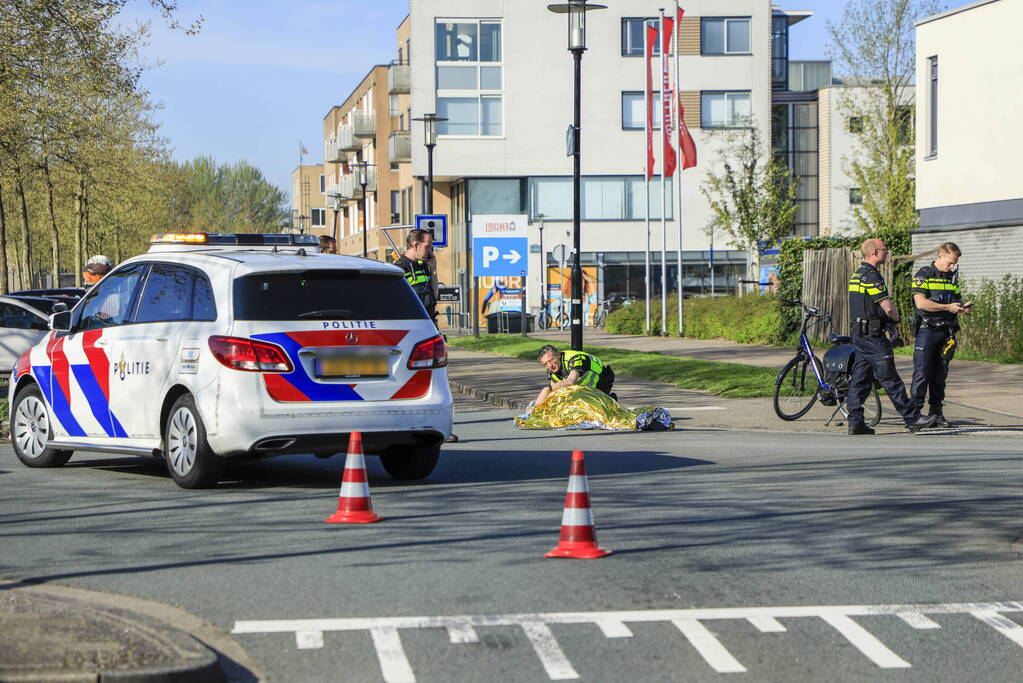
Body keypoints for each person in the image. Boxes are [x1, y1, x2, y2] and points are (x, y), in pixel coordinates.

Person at [845, 238, 938, 435]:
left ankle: (855, 422)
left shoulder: (857, 275)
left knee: (860, 380)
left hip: (860, 336)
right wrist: (895, 321)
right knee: (891, 379)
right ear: (874, 253)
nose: (887, 253)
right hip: (873, 337)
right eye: (884, 250)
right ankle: (913, 418)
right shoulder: (872, 276)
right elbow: (887, 307)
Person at [910, 242, 971, 427]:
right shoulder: (923, 275)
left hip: (947, 332)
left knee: (940, 375)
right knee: (922, 373)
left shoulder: (952, 278)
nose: (952, 266)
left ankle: (936, 413)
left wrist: (962, 308)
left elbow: (956, 300)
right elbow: (921, 303)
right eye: (950, 263)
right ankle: (914, 416)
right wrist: (947, 307)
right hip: (928, 331)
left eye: (955, 264)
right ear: (940, 256)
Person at [534, 344, 616, 406]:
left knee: (590, 411)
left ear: (558, 355)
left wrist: (547, 389)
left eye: (551, 360)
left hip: (602, 381)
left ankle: (610, 400)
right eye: (545, 364)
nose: (550, 365)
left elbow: (571, 381)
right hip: (585, 387)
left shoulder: (574, 359)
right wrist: (536, 406)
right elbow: (554, 393)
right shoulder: (551, 371)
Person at [396, 229, 437, 324]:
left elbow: (434, 295)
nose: (430, 251)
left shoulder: (423, 266)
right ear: (415, 245)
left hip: (428, 322)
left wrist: (434, 269)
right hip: (411, 324)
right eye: (427, 247)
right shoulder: (400, 268)